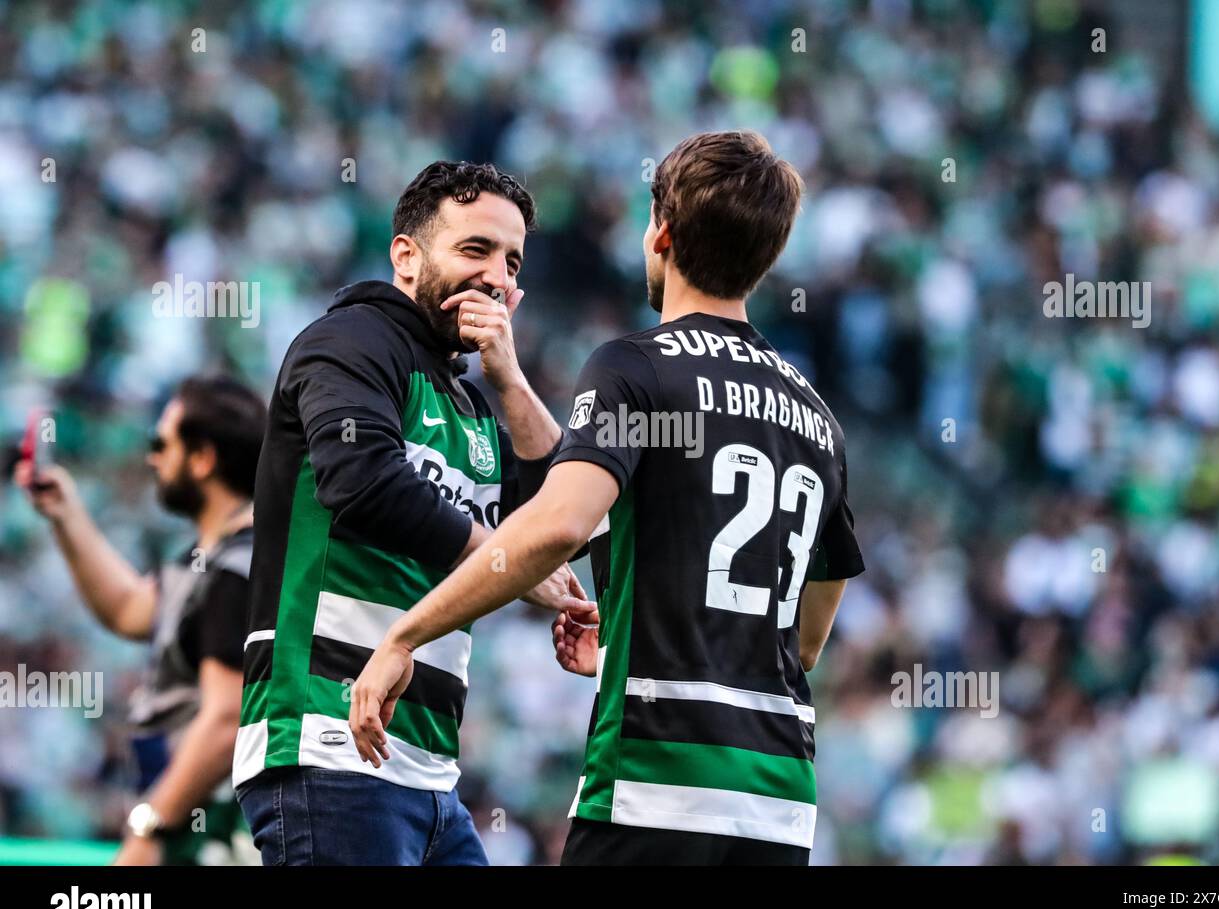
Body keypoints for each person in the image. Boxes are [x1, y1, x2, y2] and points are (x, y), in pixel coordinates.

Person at [350, 131, 865, 865]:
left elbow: (558, 526)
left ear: (661, 232)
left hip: (654, 785)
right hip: (778, 806)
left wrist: (405, 635)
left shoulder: (636, 369)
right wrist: (631, 647)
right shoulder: (820, 419)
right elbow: (802, 643)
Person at [233, 160, 593, 866]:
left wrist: (511, 381)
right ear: (407, 255)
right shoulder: (350, 341)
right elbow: (363, 482)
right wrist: (504, 558)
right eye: (475, 250)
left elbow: (565, 521)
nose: (496, 277)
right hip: (325, 743)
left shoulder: (475, 407)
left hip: (429, 771)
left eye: (512, 262)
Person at [17, 375, 266, 865]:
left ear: (203, 458)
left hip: (216, 831)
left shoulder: (236, 570)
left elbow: (225, 718)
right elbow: (131, 610)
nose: (152, 457)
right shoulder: (210, 562)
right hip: (198, 820)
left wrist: (149, 827)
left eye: (162, 443)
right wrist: (65, 514)